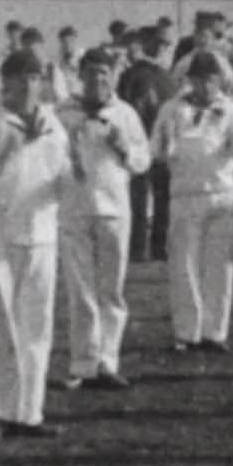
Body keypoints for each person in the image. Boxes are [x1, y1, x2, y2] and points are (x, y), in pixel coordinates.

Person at [0, 50, 70, 440]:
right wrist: (6, 159)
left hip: (42, 234)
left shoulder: (54, 125)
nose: (29, 86)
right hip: (2, 232)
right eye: (20, 79)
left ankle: (29, 412)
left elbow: (62, 176)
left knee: (37, 326)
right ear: (7, 84)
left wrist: (73, 174)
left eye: (35, 78)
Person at [56, 47, 151, 390]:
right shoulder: (63, 113)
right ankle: (83, 364)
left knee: (111, 290)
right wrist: (71, 157)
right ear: (80, 76)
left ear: (112, 77)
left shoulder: (124, 114)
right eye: (92, 73)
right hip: (75, 209)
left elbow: (144, 161)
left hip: (114, 209)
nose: (98, 79)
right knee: (81, 291)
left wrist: (124, 147)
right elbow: (50, 161)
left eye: (104, 73)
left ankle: (107, 362)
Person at [150, 52, 233, 353]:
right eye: (198, 79)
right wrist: (167, 149)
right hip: (185, 194)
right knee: (184, 265)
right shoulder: (172, 109)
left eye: (210, 78)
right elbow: (156, 149)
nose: (204, 85)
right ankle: (187, 332)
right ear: (189, 80)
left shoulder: (231, 110)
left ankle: (215, 332)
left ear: (219, 80)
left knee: (219, 266)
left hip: (221, 194)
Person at [118, 26, 178, 263]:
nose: (162, 48)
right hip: (140, 138)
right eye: (158, 43)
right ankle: (139, 246)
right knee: (139, 195)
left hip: (159, 138)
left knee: (160, 195)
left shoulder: (166, 75)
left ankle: (156, 246)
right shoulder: (134, 75)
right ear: (147, 43)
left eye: (165, 45)